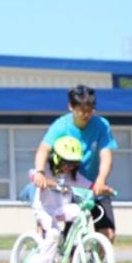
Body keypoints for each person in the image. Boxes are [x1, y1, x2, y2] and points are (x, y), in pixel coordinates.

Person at [31, 84, 117, 242]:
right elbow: (43, 149)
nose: (86, 114)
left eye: (90, 110)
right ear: (71, 107)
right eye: (81, 110)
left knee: (108, 234)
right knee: (71, 236)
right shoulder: (61, 126)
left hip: (93, 185)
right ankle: (44, 250)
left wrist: (101, 180)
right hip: (70, 185)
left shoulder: (101, 125)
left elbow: (106, 154)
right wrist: (40, 173)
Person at [28, 135, 102, 263]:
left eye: (73, 164)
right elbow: (33, 174)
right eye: (66, 162)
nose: (69, 167)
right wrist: (41, 179)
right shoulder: (46, 170)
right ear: (56, 158)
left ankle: (77, 241)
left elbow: (89, 186)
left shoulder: (72, 176)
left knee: (83, 212)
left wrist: (101, 188)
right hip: (44, 209)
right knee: (54, 233)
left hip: (62, 209)